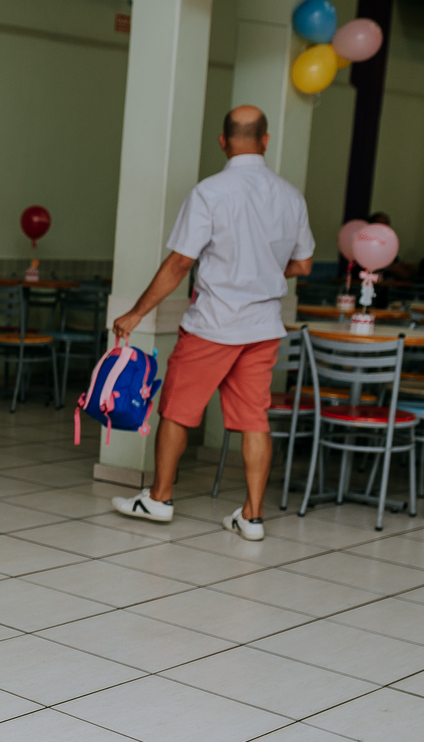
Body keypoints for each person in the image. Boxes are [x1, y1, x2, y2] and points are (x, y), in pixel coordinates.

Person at [111, 105, 314, 542]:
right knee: (254, 419)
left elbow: (181, 261)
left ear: (222, 141)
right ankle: (252, 517)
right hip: (263, 328)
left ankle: (160, 499)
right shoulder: (290, 195)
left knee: (178, 411)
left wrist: (137, 311)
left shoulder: (210, 192)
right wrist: (265, 273)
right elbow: (304, 264)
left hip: (214, 325)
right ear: (266, 140)